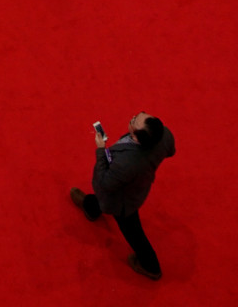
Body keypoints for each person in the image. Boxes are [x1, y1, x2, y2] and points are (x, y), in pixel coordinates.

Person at [68, 114, 175, 281]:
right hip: (135, 187)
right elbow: (171, 151)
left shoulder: (127, 163)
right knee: (103, 200)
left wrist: (101, 150)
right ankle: (91, 208)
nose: (134, 116)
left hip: (123, 200)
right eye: (139, 115)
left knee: (132, 230)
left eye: (134, 121)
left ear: (137, 138)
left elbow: (104, 183)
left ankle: (150, 266)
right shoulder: (164, 135)